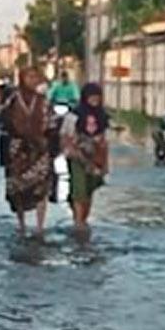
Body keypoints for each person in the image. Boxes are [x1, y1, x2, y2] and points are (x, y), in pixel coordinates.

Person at [2, 66, 55, 236]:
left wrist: (49, 137)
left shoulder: (43, 100)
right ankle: (21, 223)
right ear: (22, 79)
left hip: (39, 148)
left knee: (42, 186)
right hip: (18, 149)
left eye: (35, 77)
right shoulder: (12, 99)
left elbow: (51, 120)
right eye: (29, 77)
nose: (32, 80)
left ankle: (40, 226)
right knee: (17, 189)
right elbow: (4, 119)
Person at [65, 82, 112, 234]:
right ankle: (78, 221)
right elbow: (66, 134)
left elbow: (104, 139)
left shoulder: (102, 116)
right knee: (79, 189)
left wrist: (105, 163)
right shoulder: (75, 114)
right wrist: (71, 149)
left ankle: (84, 218)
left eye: (97, 97)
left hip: (95, 157)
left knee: (90, 188)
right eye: (92, 96)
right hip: (77, 156)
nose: (94, 99)